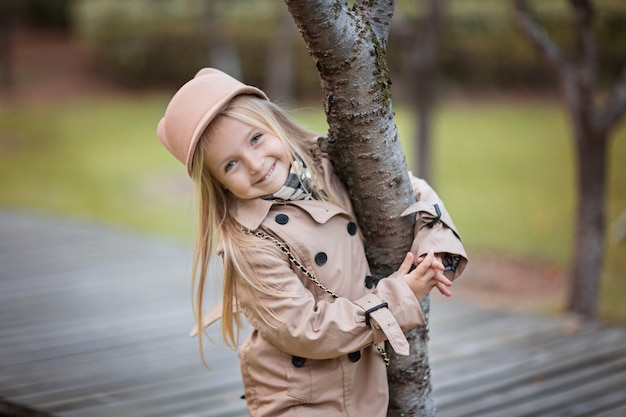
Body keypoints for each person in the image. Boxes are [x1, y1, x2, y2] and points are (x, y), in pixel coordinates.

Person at [157, 67, 467, 417]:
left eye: (256, 139)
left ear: (273, 120)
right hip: (303, 402)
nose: (256, 165)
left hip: (357, 383)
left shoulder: (326, 165)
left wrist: (435, 247)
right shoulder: (249, 243)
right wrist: (400, 296)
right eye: (231, 164)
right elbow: (306, 329)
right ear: (218, 184)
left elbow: (411, 190)